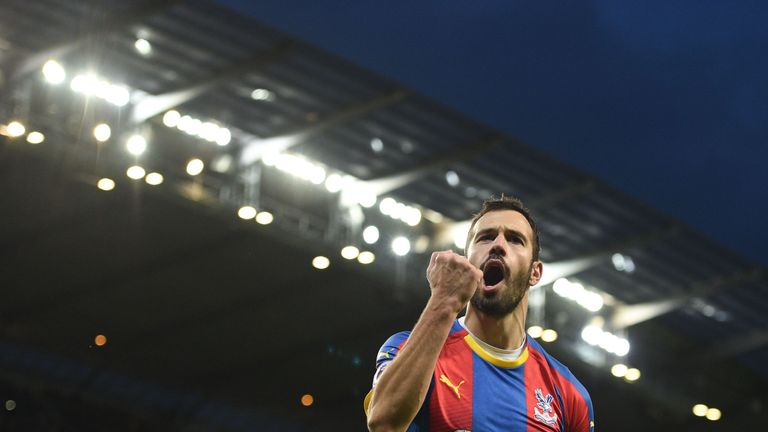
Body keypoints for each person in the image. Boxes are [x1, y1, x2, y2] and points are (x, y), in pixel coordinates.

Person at [364, 196, 594, 432]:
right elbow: (383, 423)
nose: (498, 245)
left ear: (535, 273)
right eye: (486, 237)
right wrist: (444, 301)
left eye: (515, 239)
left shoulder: (569, 395)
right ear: (468, 260)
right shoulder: (408, 348)